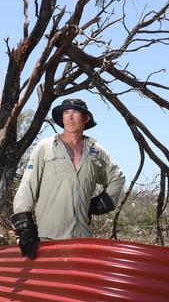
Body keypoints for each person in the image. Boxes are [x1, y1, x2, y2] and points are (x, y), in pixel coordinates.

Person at [11, 98, 126, 259]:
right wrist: (24, 227)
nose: (70, 117)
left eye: (75, 112)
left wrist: (99, 204)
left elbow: (118, 178)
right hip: (48, 239)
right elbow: (27, 186)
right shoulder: (45, 147)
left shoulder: (96, 151)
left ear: (86, 118)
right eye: (66, 113)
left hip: (82, 240)